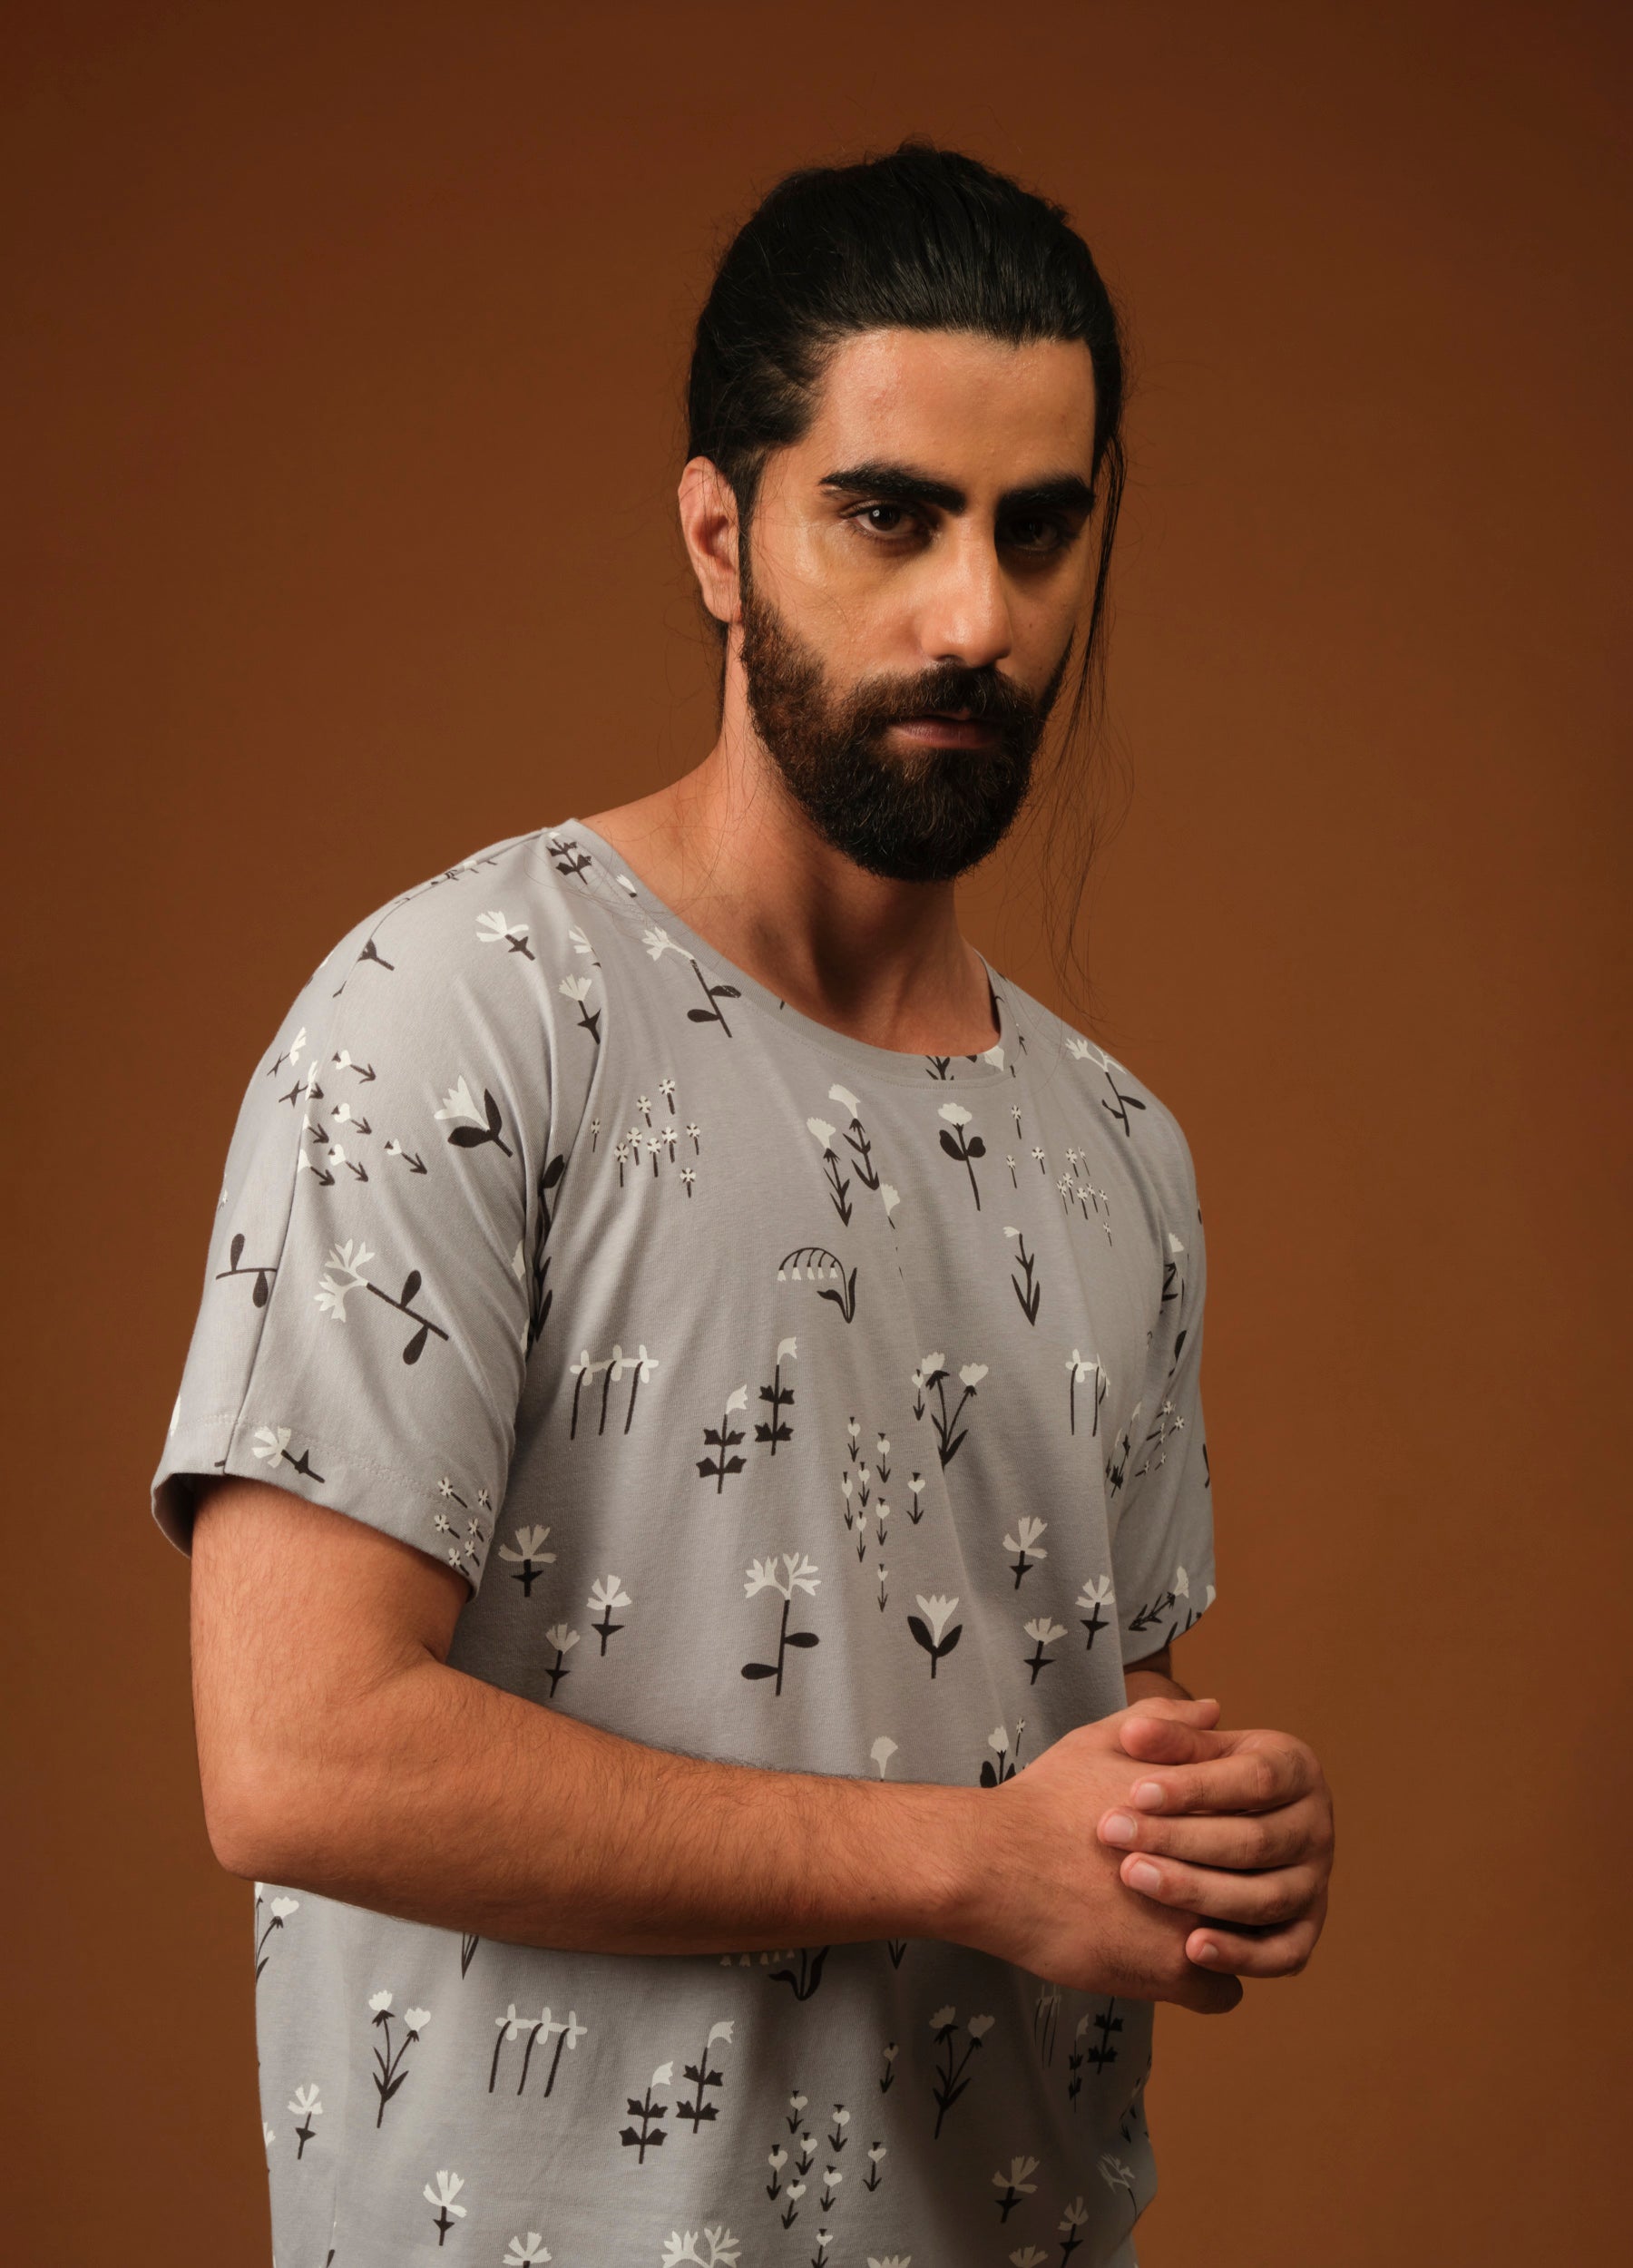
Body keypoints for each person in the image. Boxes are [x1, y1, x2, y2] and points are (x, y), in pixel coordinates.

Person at [156, 142, 1334, 2268]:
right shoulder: (459, 1014)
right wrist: (964, 1856)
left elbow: (1089, 1774)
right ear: (720, 533)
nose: (975, 617)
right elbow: (299, 1752)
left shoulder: (1122, 1150)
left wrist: (1205, 1838)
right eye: (890, 514)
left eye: (1038, 528)